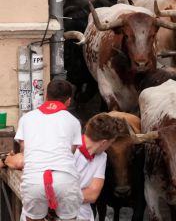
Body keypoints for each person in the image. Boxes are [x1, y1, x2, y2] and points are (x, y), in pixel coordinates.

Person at [11, 113, 124, 221]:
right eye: (111, 142)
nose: (109, 146)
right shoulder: (64, 145)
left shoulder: (102, 156)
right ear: (103, 142)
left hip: (80, 215)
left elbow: (93, 194)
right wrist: (5, 159)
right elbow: (20, 160)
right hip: (44, 213)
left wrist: (57, 196)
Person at [15, 79, 83, 220]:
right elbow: (72, 151)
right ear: (69, 101)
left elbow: (23, 149)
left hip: (34, 178)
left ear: (46, 96)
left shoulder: (26, 118)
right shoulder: (74, 121)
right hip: (65, 178)